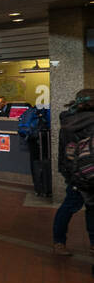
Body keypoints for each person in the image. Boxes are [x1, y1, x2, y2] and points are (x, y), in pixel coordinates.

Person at [53, 87, 94, 256]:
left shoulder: (67, 120)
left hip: (73, 172)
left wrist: (69, 172)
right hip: (91, 172)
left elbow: (65, 149)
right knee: (91, 208)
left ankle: (59, 242)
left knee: (69, 206)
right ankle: (93, 242)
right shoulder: (92, 120)